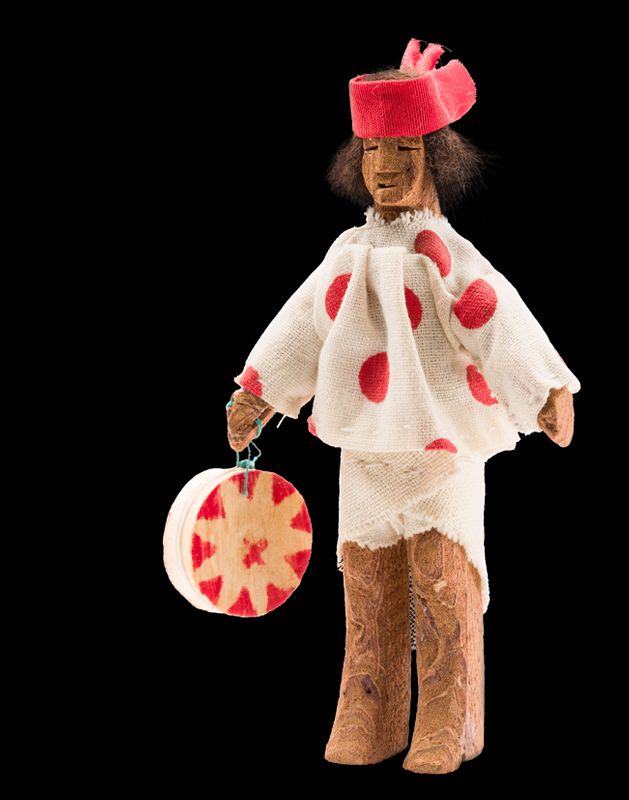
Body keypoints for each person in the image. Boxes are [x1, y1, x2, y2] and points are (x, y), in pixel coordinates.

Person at [225, 40, 578, 774]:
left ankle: (452, 717)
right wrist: (258, 392)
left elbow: (492, 314)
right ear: (355, 157)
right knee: (365, 578)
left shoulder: (444, 253)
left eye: (404, 149)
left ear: (437, 156)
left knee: (443, 577)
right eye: (372, 149)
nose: (385, 166)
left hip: (442, 450)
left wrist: (544, 387)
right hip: (364, 449)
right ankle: (369, 709)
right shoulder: (346, 253)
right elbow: (303, 326)